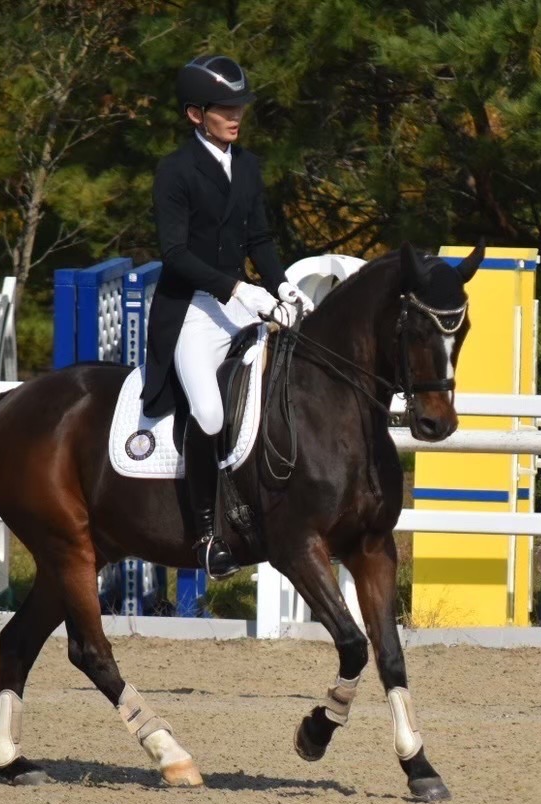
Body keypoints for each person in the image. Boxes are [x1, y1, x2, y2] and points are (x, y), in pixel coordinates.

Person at [146, 55, 312, 577]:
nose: (236, 115)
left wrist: (282, 285)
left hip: (241, 306)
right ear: (196, 114)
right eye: (224, 108)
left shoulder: (248, 166)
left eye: (239, 106)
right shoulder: (175, 171)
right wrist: (240, 287)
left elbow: (259, 238)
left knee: (282, 394)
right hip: (192, 310)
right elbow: (174, 253)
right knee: (212, 415)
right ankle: (202, 535)